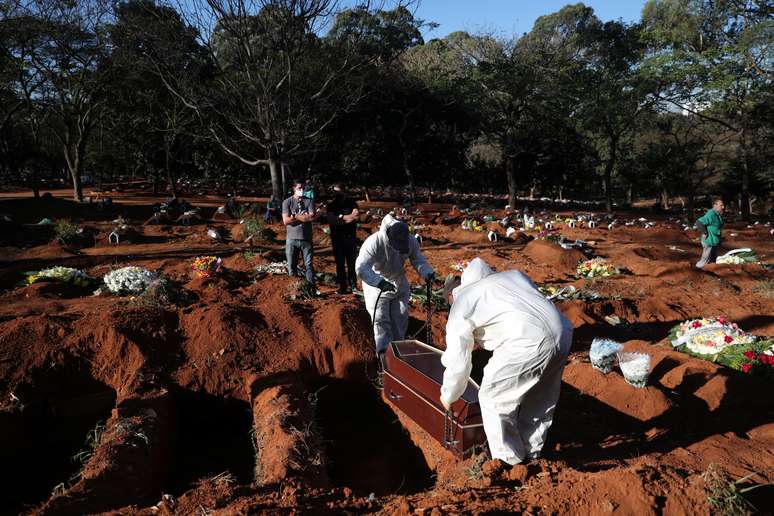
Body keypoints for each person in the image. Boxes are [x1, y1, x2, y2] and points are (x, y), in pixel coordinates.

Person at [440, 258, 573, 465]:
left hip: (527, 341)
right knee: (540, 397)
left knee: (494, 398)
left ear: (452, 294)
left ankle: (509, 462)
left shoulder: (462, 302)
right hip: (562, 332)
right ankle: (532, 453)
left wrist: (449, 394)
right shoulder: (513, 276)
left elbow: (459, 359)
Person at [356, 214, 435, 354]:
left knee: (400, 316)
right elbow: (361, 267)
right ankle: (384, 355)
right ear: (389, 237)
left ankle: (398, 350)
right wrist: (379, 283)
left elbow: (418, 259)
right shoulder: (374, 243)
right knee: (381, 319)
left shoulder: (410, 241)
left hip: (398, 279)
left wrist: (427, 272)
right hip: (377, 283)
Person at [327, 184, 360, 295]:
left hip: (350, 237)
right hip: (337, 238)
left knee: (352, 263)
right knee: (340, 264)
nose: (337, 195)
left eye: (339, 192)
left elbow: (356, 217)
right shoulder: (331, 205)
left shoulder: (351, 203)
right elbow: (332, 220)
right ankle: (342, 286)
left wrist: (341, 217)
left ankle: (353, 286)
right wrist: (347, 218)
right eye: (335, 192)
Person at [282, 182, 317, 287]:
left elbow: (311, 217)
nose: (301, 189)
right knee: (292, 266)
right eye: (299, 188)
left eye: (303, 188)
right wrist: (301, 217)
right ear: (294, 188)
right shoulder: (287, 202)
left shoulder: (309, 201)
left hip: (306, 238)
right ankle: (293, 288)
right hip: (292, 239)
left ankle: (311, 288)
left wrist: (294, 216)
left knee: (308, 265)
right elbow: (286, 221)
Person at [695, 198, 725, 268]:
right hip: (709, 240)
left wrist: (719, 239)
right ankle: (698, 270)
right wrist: (705, 233)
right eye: (721, 205)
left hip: (714, 241)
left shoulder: (717, 215)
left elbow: (718, 227)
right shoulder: (711, 214)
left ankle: (710, 272)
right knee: (705, 259)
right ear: (715, 205)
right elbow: (699, 222)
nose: (723, 207)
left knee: (712, 259)